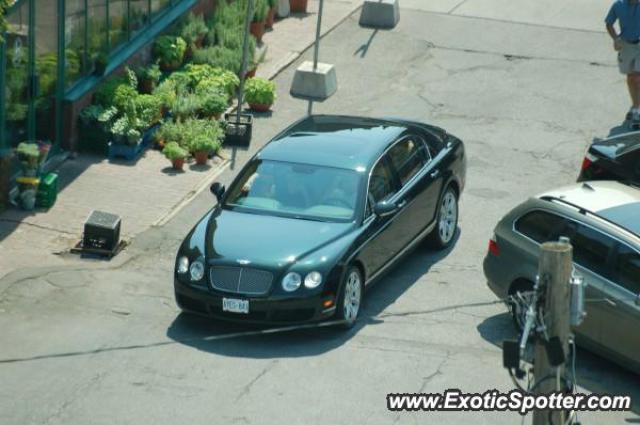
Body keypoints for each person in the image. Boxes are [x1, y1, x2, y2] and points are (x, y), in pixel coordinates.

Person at [606, 0, 640, 126]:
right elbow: (609, 23)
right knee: (631, 78)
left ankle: (637, 110)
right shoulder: (618, 5)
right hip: (626, 46)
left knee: (637, 77)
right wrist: (616, 39)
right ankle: (635, 104)